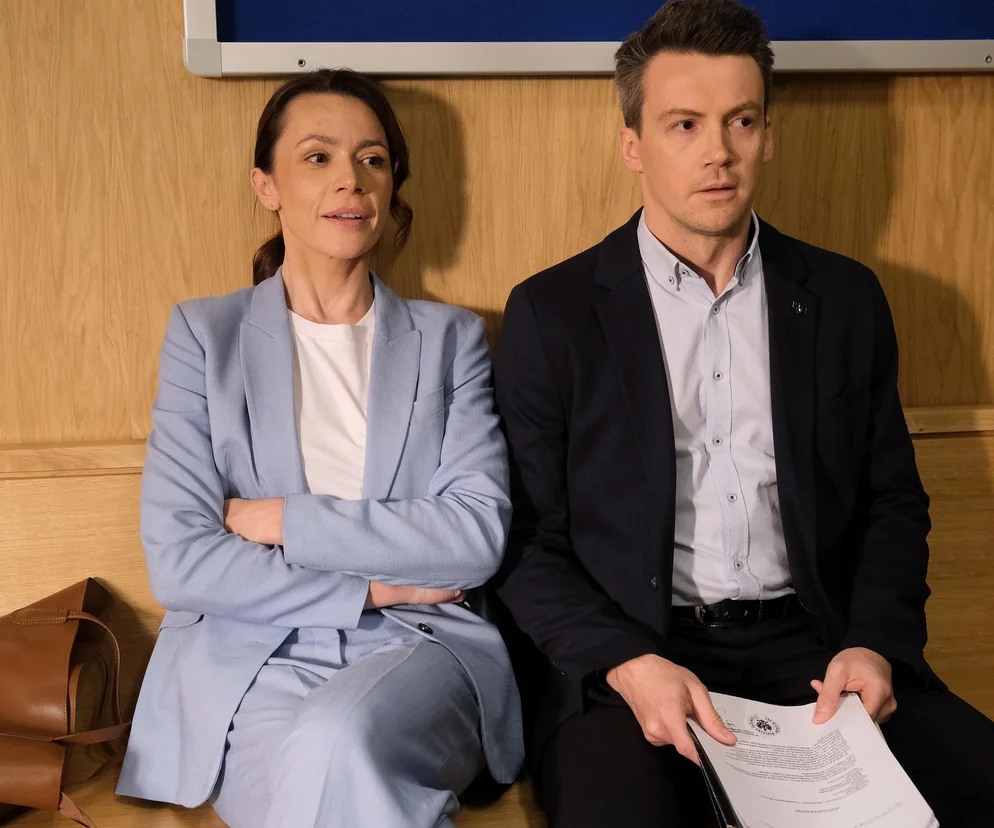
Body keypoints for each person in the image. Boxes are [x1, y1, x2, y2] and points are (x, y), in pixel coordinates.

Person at [491, 2, 994, 826]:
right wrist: (625, 662)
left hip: (820, 647)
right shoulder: (554, 313)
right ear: (633, 145)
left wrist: (875, 643)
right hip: (637, 655)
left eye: (741, 121)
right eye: (684, 124)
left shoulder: (845, 299)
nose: (718, 152)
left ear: (768, 136)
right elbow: (525, 539)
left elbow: (893, 503)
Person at [116, 68, 523, 828]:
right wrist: (374, 587)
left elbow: (472, 538)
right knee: (329, 782)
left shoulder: (451, 340)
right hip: (248, 660)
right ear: (265, 185)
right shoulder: (205, 337)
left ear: (391, 185)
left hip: (421, 648)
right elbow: (183, 561)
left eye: (372, 159)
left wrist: (283, 521)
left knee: (337, 740)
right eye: (317, 157)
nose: (350, 180)